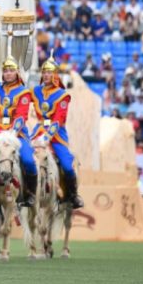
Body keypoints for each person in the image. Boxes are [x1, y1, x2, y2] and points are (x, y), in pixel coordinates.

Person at [0, 57, 38, 207]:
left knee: (28, 161)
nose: (8, 73)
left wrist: (13, 132)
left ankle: (29, 193)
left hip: (17, 132)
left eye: (11, 70)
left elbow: (21, 116)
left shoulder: (23, 92)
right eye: (6, 71)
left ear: (17, 73)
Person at [30, 53, 84, 209]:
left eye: (49, 72)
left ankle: (72, 195)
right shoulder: (35, 91)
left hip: (57, 134)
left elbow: (58, 119)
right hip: (39, 129)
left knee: (67, 165)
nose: (46, 75)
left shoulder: (62, 95)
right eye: (44, 72)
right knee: (22, 153)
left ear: (55, 75)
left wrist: (47, 137)